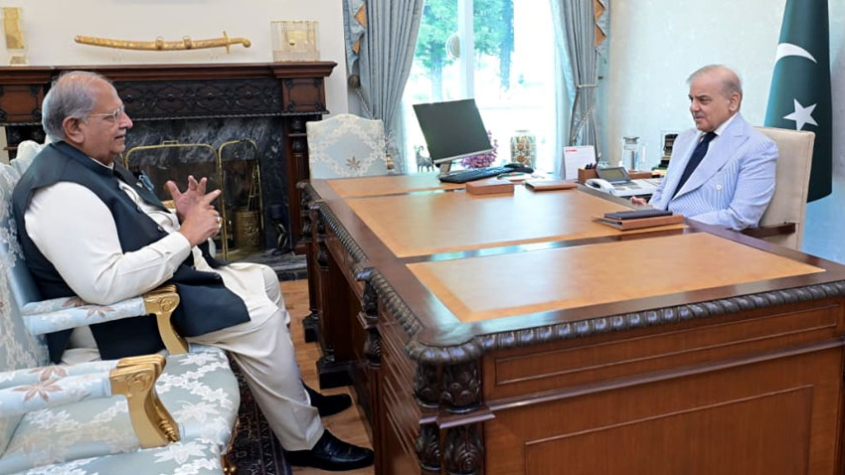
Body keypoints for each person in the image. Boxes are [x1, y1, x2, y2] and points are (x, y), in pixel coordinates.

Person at [11, 71, 373, 472]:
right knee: (260, 318)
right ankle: (305, 441)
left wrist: (179, 218)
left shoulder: (85, 165)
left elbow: (128, 228)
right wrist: (186, 235)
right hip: (115, 324)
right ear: (74, 127)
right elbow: (104, 284)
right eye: (113, 116)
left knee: (263, 278)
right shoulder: (61, 193)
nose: (127, 122)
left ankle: (290, 395)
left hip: (150, 290)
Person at [631, 65, 778, 230]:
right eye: (691, 99)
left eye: (703, 100)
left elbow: (741, 216)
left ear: (733, 102)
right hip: (662, 233)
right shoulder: (684, 139)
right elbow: (664, 191)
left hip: (705, 239)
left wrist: (674, 223)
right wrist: (650, 211)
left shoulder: (757, 148)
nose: (693, 108)